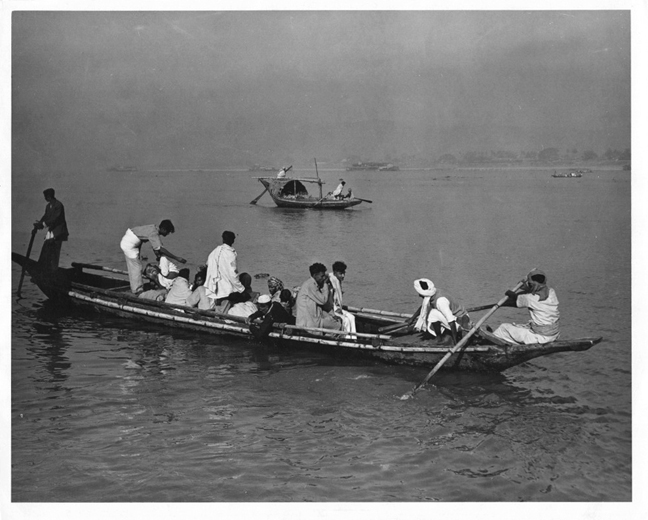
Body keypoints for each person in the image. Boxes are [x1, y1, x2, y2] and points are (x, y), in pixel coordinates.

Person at [490, 269, 560, 345]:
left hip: (540, 337)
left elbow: (516, 299)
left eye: (530, 284)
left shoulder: (530, 298)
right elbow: (534, 293)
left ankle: (491, 343)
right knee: (519, 327)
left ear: (533, 285)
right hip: (553, 334)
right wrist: (527, 288)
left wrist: (509, 294)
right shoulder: (551, 292)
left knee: (503, 328)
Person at [120, 220, 187, 295]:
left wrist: (158, 256)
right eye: (167, 232)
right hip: (129, 243)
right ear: (164, 229)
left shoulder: (154, 229)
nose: (167, 234)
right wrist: (177, 258)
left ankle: (136, 287)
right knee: (136, 268)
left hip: (133, 241)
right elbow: (160, 249)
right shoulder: (154, 234)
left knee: (135, 266)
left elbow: (155, 247)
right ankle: (137, 290)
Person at [407, 278, 471, 345]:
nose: (419, 295)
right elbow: (424, 306)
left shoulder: (440, 301)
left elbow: (451, 321)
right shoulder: (435, 292)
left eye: (420, 294)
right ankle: (440, 336)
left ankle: (440, 338)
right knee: (432, 312)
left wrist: (456, 343)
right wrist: (412, 318)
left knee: (432, 313)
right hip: (456, 317)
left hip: (460, 322)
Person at [295, 263, 342, 331]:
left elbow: (324, 305)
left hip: (314, 318)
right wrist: (325, 285)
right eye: (322, 276)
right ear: (314, 275)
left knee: (334, 320)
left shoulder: (314, 285)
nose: (323, 278)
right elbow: (323, 300)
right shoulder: (310, 285)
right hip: (308, 322)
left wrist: (332, 315)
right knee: (337, 325)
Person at [205, 231, 245, 305]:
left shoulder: (215, 251)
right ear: (233, 240)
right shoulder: (230, 254)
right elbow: (232, 274)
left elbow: (207, 264)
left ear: (223, 239)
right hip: (227, 290)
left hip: (215, 287)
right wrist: (241, 289)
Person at [33, 188, 69, 272]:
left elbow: (55, 219)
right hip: (51, 231)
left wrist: (43, 224)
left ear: (49, 197)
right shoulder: (48, 206)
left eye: (45, 196)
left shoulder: (58, 205)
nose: (45, 198)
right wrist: (40, 224)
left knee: (54, 253)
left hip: (59, 232)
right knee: (45, 248)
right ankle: (42, 268)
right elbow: (46, 216)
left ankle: (53, 271)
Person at [328, 261, 356, 334]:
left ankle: (353, 338)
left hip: (338, 308)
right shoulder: (331, 281)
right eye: (341, 273)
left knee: (352, 317)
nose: (343, 276)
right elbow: (330, 300)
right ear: (335, 272)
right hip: (332, 309)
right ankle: (345, 339)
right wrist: (335, 309)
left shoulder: (338, 280)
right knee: (345, 320)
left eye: (344, 273)